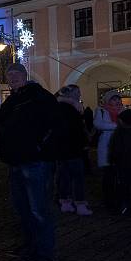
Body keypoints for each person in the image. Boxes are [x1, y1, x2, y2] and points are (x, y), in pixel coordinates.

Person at [0, 63, 61, 261]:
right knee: (23, 208)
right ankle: (30, 245)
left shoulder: (38, 96)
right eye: (9, 75)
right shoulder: (12, 100)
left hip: (35, 161)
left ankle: (44, 252)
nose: (13, 78)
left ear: (25, 76)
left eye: (16, 74)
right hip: (15, 161)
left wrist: (39, 147)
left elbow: (54, 124)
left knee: (38, 209)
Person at [55, 85, 92, 216]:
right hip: (73, 148)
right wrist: (84, 143)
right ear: (70, 94)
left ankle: (65, 202)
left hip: (61, 148)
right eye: (77, 92)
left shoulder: (59, 107)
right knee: (78, 177)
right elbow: (76, 129)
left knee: (64, 176)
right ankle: (80, 203)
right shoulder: (71, 108)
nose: (79, 94)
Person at [110, 108, 131, 215]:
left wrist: (113, 159)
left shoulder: (120, 131)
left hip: (123, 161)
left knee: (124, 184)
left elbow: (115, 148)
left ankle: (125, 205)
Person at [94, 90, 123, 211]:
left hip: (121, 147)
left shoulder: (123, 111)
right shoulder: (100, 110)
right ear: (107, 100)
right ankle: (109, 201)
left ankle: (119, 199)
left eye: (118, 99)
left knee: (119, 175)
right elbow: (99, 124)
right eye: (113, 99)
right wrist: (118, 126)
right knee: (108, 176)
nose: (116, 102)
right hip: (106, 147)